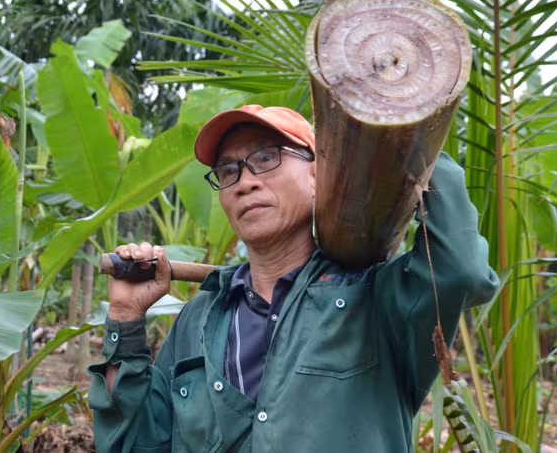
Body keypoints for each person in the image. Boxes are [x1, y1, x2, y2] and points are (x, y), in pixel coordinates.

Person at [88, 105, 499, 452]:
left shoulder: (376, 299)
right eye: (228, 171)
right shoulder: (198, 320)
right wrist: (125, 317)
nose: (246, 182)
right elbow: (133, 443)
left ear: (319, 175)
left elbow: (460, 271)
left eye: (267, 158)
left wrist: (408, 136)